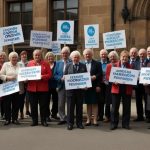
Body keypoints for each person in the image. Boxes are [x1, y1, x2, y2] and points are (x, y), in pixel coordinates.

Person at [27, 49, 52, 127]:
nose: (37, 56)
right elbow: (26, 74)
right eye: (36, 55)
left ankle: (43, 120)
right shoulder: (29, 64)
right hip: (32, 89)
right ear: (33, 56)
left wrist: (42, 77)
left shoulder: (46, 63)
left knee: (43, 106)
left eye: (38, 55)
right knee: (33, 105)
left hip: (43, 89)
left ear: (41, 55)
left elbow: (49, 75)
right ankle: (34, 121)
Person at [64, 51, 87, 130]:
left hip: (80, 91)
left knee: (79, 108)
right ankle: (70, 123)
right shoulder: (68, 65)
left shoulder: (83, 66)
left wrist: (85, 85)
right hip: (70, 91)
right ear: (71, 58)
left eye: (77, 57)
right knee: (70, 108)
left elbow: (85, 77)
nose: (76, 59)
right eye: (74, 57)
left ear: (79, 58)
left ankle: (79, 123)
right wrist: (64, 78)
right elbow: (65, 75)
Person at [110, 50, 132, 130]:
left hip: (127, 89)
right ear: (120, 57)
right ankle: (113, 124)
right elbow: (109, 77)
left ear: (128, 58)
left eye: (126, 57)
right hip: (116, 88)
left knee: (127, 107)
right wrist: (114, 81)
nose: (124, 58)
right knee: (115, 107)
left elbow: (133, 77)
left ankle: (125, 124)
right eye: (123, 56)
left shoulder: (130, 66)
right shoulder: (114, 66)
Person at [0, 52, 23, 125]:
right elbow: (0, 75)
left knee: (16, 104)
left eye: (15, 57)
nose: (14, 58)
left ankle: (15, 119)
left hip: (18, 88)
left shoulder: (21, 65)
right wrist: (8, 77)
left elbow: (25, 74)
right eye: (12, 57)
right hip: (8, 88)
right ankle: (7, 119)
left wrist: (25, 78)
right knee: (7, 104)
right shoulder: (6, 64)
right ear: (9, 58)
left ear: (17, 58)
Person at [83, 48, 103, 126]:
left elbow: (100, 74)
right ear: (84, 55)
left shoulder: (97, 63)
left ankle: (94, 119)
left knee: (95, 103)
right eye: (86, 54)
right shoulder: (82, 63)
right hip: (85, 87)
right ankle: (88, 119)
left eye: (89, 54)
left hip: (95, 86)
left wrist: (98, 84)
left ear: (92, 55)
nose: (88, 55)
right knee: (88, 103)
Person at [54, 46, 71, 125]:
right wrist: (60, 78)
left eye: (66, 53)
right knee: (61, 103)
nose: (64, 54)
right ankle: (62, 118)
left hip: (71, 85)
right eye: (63, 53)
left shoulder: (71, 61)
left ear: (69, 54)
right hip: (61, 85)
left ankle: (70, 117)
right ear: (61, 54)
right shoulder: (57, 63)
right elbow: (55, 75)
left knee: (70, 102)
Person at [105, 51, 119, 123]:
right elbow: (107, 75)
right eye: (111, 57)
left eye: (114, 56)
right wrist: (112, 80)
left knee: (115, 102)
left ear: (117, 57)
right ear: (109, 58)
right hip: (110, 85)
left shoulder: (119, 64)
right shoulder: (108, 65)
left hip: (117, 85)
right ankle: (107, 116)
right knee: (108, 101)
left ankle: (114, 116)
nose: (112, 58)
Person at [133, 48, 147, 121]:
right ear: (138, 54)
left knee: (147, 101)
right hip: (138, 85)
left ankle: (148, 116)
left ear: (146, 54)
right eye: (140, 54)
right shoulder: (136, 62)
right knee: (138, 101)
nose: (142, 55)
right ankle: (140, 116)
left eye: (143, 54)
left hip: (146, 85)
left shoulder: (149, 61)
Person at [45, 52, 59, 121]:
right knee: (46, 101)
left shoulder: (57, 64)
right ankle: (47, 115)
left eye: (52, 57)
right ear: (47, 58)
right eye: (49, 57)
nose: (50, 58)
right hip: (46, 86)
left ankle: (54, 113)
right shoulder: (45, 65)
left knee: (55, 100)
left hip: (55, 86)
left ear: (54, 57)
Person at [18, 50, 31, 119]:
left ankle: (27, 110)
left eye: (25, 54)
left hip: (29, 83)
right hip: (21, 84)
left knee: (28, 98)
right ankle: (21, 112)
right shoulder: (18, 64)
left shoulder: (30, 63)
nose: (24, 55)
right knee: (21, 99)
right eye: (22, 54)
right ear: (20, 56)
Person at [98, 49, 109, 122]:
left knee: (107, 100)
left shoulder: (110, 63)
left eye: (105, 54)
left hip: (108, 84)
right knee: (100, 100)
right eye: (102, 54)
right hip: (100, 84)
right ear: (100, 55)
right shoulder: (97, 63)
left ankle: (107, 116)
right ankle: (100, 115)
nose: (103, 55)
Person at [0, 52, 7, 119]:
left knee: (4, 100)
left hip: (5, 84)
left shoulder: (7, 64)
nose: (2, 57)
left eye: (3, 56)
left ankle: (4, 113)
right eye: (0, 56)